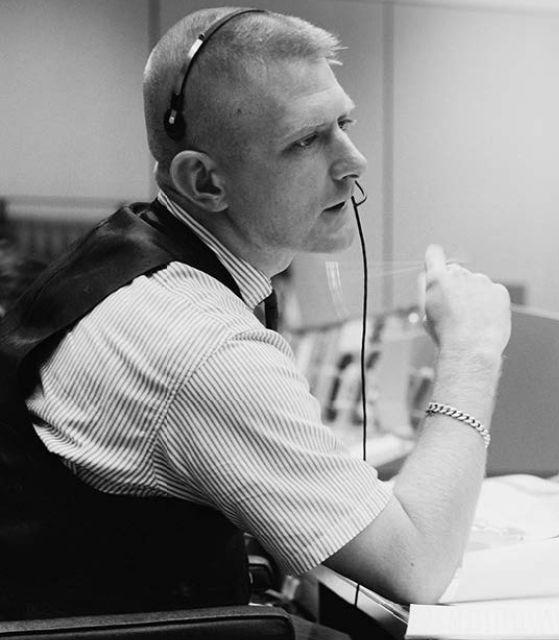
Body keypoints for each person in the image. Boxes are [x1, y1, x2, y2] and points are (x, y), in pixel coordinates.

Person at [0, 6, 511, 636]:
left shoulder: (123, 266)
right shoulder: (198, 344)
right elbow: (419, 565)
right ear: (204, 181)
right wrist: (472, 351)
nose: (354, 162)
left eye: (344, 122)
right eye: (305, 140)